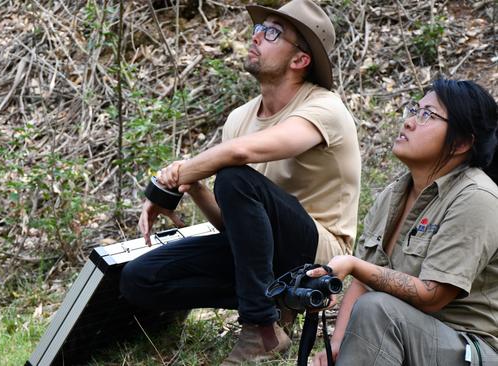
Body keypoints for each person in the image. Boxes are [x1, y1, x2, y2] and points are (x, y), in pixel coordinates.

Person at [120, 0, 361, 364]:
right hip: (264, 257)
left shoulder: (324, 108)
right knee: (140, 278)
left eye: (273, 33)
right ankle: (275, 304)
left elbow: (237, 160)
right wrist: (194, 187)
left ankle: (260, 329)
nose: (258, 36)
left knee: (233, 176)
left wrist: (181, 173)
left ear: (299, 60)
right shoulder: (240, 118)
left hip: (318, 254)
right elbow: (236, 222)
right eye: (258, 29)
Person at [310, 79, 498, 366]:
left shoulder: (478, 198)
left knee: (378, 311)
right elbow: (362, 283)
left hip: (467, 349)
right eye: (414, 110)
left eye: (427, 115)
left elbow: (431, 295)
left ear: (461, 143)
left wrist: (352, 264)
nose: (409, 122)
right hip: (407, 335)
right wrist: (338, 343)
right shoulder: (394, 192)